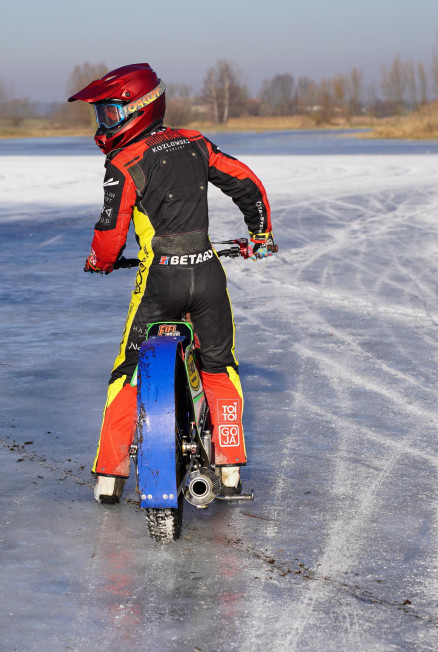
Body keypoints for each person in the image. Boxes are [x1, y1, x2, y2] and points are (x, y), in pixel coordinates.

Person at [69, 63, 274, 504]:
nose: (104, 124)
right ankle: (232, 468)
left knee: (128, 373)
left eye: (110, 113)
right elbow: (245, 182)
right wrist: (260, 235)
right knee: (220, 367)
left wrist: (100, 262)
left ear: (139, 108)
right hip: (207, 274)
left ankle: (109, 477)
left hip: (159, 280)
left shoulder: (124, 161)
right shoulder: (196, 142)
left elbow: (110, 233)